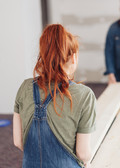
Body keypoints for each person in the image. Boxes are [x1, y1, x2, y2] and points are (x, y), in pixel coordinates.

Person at [13, 24, 96, 168]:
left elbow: (18, 142)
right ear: (74, 57)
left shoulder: (25, 87)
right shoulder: (84, 95)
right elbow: (82, 153)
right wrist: (87, 160)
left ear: (43, 56)